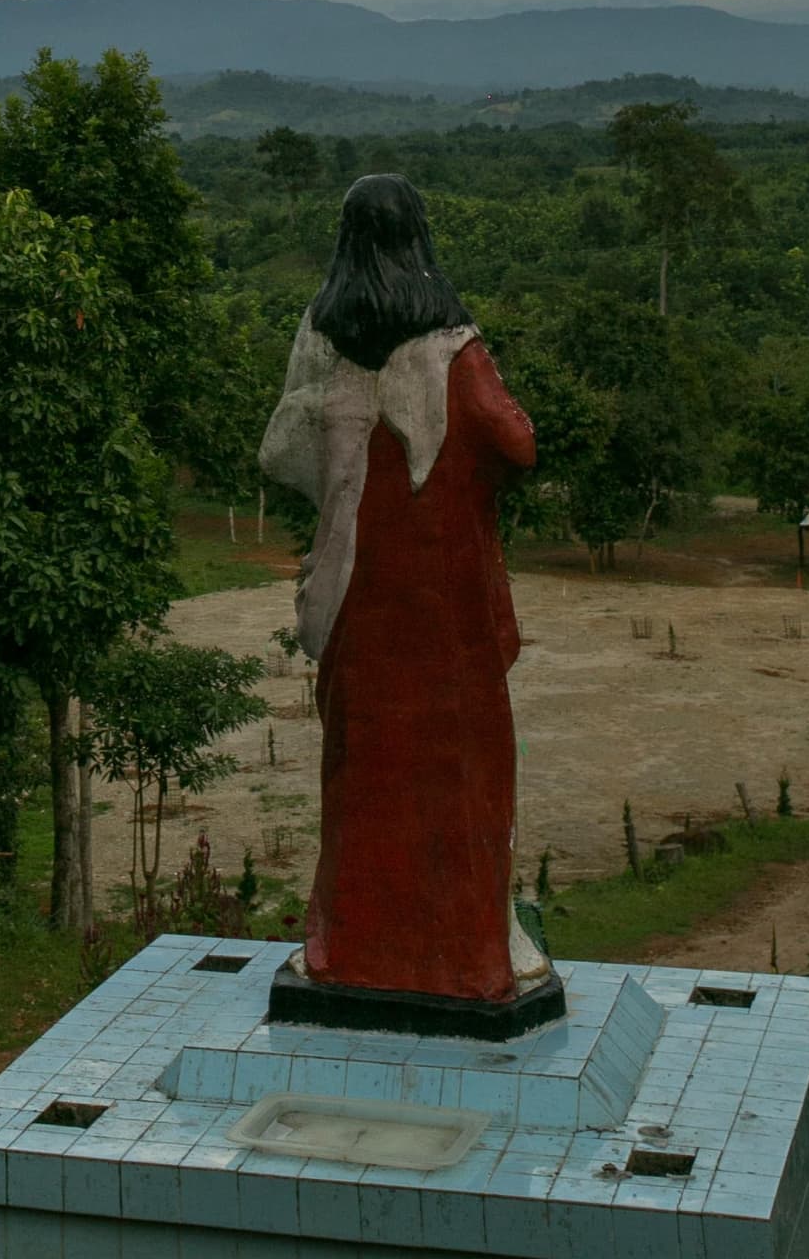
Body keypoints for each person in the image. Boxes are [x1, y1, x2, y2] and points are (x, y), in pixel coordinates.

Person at [260, 172, 551, 1012]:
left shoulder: (321, 339)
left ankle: (350, 950)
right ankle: (465, 957)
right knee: (459, 779)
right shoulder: (455, 352)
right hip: (448, 615)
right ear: (420, 239)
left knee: (364, 772)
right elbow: (518, 444)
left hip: (361, 600)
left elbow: (283, 450)